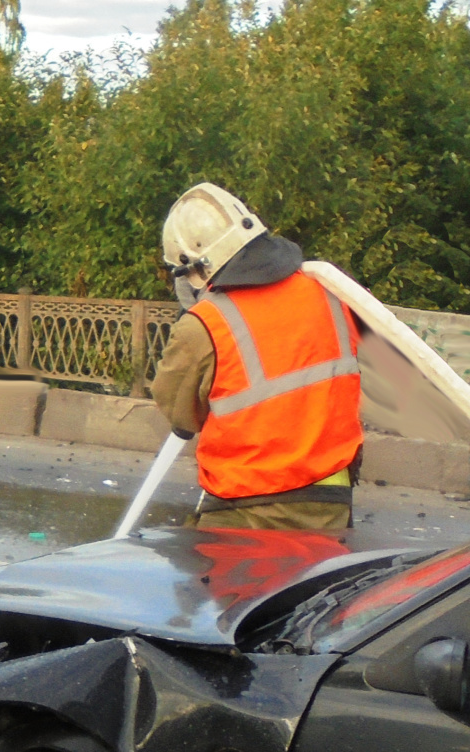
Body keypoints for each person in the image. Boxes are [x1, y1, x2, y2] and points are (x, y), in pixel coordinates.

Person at [150, 183, 362, 530]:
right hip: (331, 508)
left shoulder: (204, 327)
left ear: (197, 269)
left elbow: (182, 415)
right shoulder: (331, 293)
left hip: (245, 515)